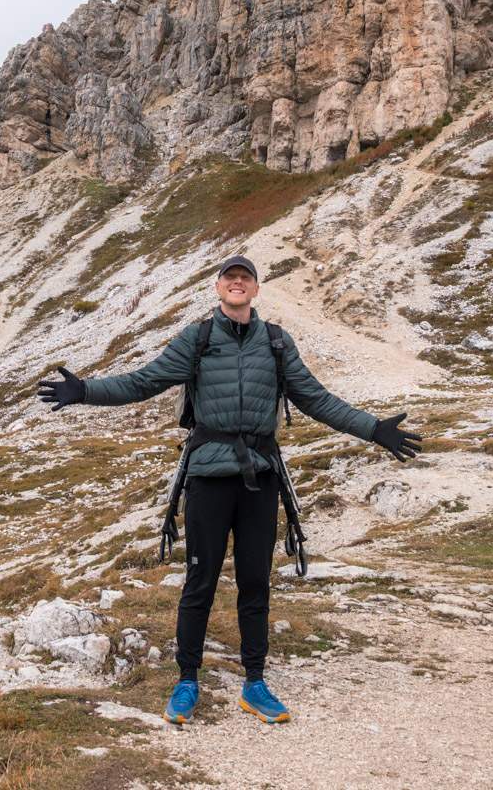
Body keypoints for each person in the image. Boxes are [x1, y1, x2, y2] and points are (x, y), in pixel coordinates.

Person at [38, 255, 421, 726]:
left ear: (255, 291)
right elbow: (144, 381)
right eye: (230, 278)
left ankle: (255, 683)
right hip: (206, 478)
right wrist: (87, 391)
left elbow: (316, 399)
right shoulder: (197, 339)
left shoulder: (277, 343)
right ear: (219, 288)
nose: (238, 284)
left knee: (255, 582)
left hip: (261, 479)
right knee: (200, 581)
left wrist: (372, 429)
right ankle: (187, 681)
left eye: (246, 279)